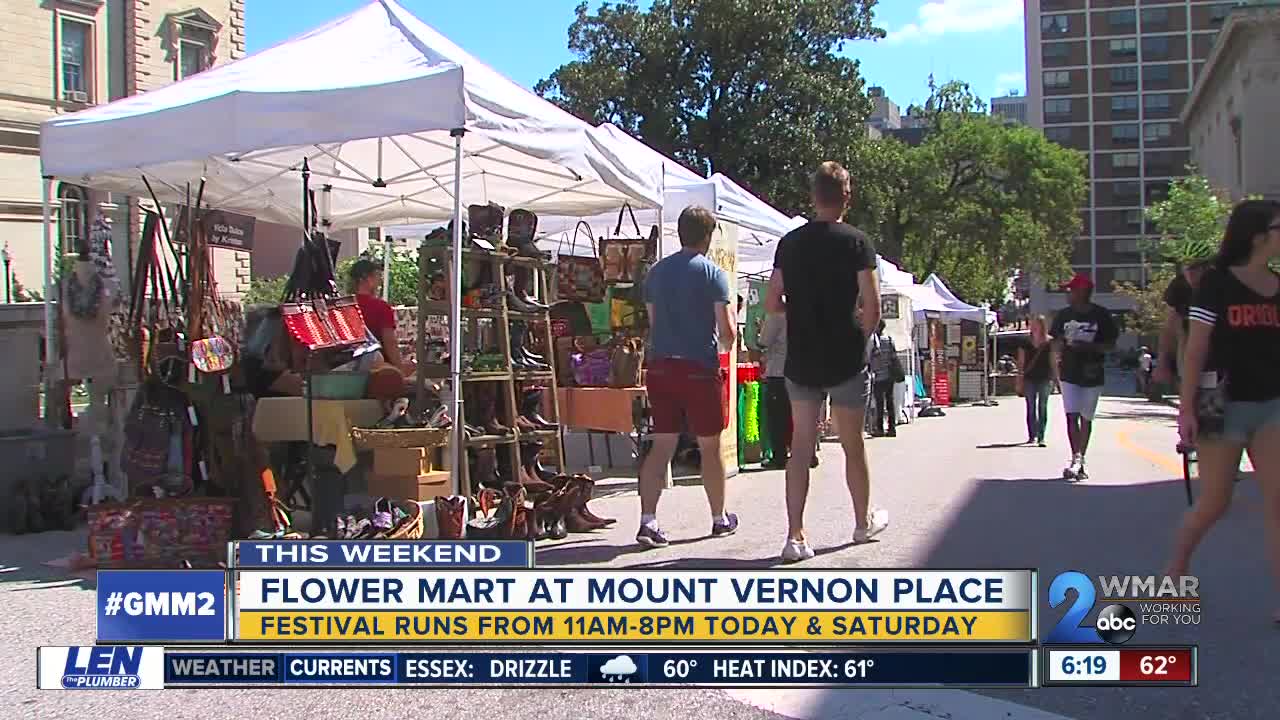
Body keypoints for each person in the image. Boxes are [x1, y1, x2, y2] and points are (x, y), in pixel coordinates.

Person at [767, 161, 888, 562]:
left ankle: (795, 536)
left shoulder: (790, 243)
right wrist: (861, 333)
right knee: (853, 444)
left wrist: (801, 312)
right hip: (846, 357)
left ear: (813, 196)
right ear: (846, 197)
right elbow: (872, 307)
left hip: (802, 356)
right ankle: (861, 521)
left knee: (800, 446)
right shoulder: (857, 243)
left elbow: (772, 302)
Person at [1168, 200, 1280, 620]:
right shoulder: (1216, 285)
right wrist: (1186, 410)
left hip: (1272, 406)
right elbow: (1195, 350)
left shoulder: (1278, 284)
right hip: (1224, 406)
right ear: (1258, 235)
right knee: (1216, 501)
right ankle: (1176, 567)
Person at [636, 205, 738, 548]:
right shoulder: (713, 274)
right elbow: (727, 332)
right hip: (698, 367)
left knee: (662, 443)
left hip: (661, 365)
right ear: (707, 236)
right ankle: (718, 517)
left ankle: (648, 520)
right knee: (710, 447)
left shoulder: (656, 273)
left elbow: (653, 322)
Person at [1050, 274, 1118, 481]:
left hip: (1092, 372)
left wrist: (1089, 346)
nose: (1068, 294)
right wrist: (1055, 368)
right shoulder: (1063, 315)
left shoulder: (1101, 315)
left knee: (1086, 418)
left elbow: (1110, 345)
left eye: (1071, 290)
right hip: (1069, 372)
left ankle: (1082, 459)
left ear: (1083, 292)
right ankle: (1075, 458)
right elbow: (1055, 343)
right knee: (1071, 415)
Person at [757, 312, 819, 470]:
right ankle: (809, 454)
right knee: (804, 416)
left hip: (780, 371)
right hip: (806, 371)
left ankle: (779, 457)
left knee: (778, 417)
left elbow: (764, 341)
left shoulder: (777, 314)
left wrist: (760, 328)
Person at [1154, 258, 1213, 387]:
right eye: (1187, 268)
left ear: (1206, 268)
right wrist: (1162, 361)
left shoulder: (1221, 284)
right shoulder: (1179, 286)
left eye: (1195, 268)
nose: (1191, 274)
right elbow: (1169, 327)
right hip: (1188, 347)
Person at [347, 258, 410, 373]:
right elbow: (389, 342)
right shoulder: (381, 307)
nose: (379, 281)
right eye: (377, 277)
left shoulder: (344, 306)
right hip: (377, 370)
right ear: (366, 279)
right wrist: (400, 368)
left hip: (349, 365)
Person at [1017, 315, 1055, 446]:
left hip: (1045, 377)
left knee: (1042, 407)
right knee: (1031, 407)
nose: (1033, 326)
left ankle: (1041, 436)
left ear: (1042, 325)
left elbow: (1053, 361)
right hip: (1029, 378)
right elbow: (1021, 362)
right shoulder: (1025, 342)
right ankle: (1031, 435)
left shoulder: (1049, 341)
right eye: (1032, 324)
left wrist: (1056, 379)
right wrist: (1019, 379)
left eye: (1036, 324)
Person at [868, 321, 898, 437]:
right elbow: (893, 356)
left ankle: (879, 428)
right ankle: (892, 428)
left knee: (879, 403)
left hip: (877, 376)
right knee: (890, 402)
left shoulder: (873, 340)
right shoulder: (889, 339)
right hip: (889, 376)